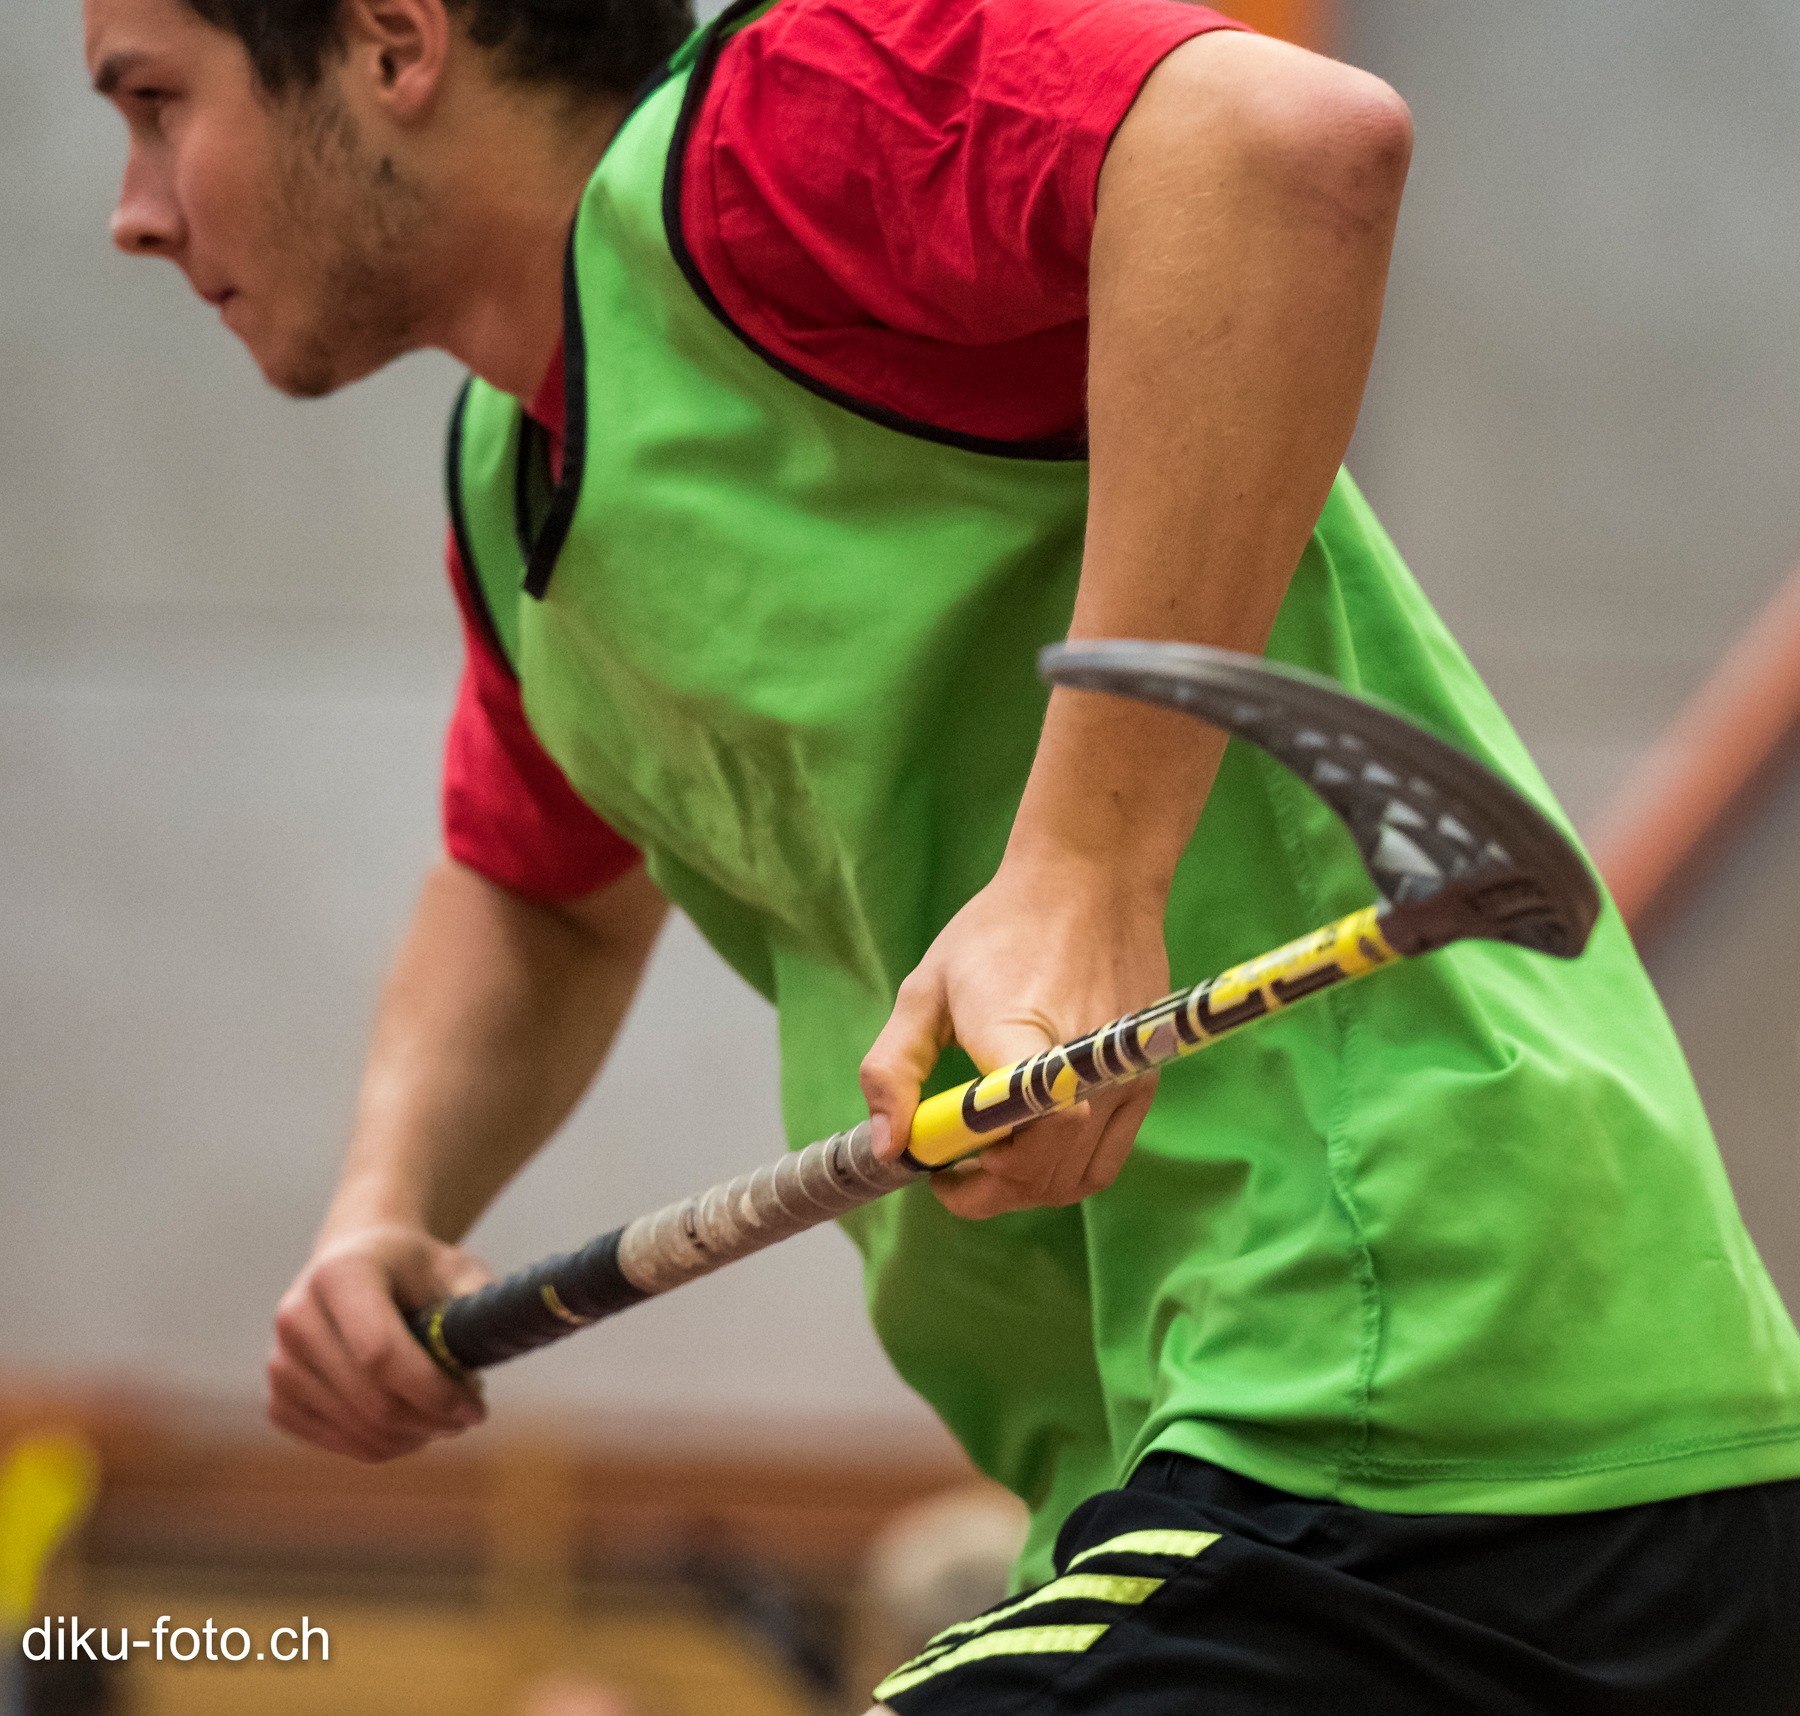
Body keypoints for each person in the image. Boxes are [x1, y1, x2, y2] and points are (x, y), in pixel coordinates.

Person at [87, 0, 1800, 1709]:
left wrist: (1082, 873)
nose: (134, 207)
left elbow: (1282, 148)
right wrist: (390, 1209)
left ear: (393, 43)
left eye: (157, 104)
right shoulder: (507, 478)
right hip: (1195, 1476)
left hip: (1403, 1410)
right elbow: (535, 891)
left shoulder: (765, 140)